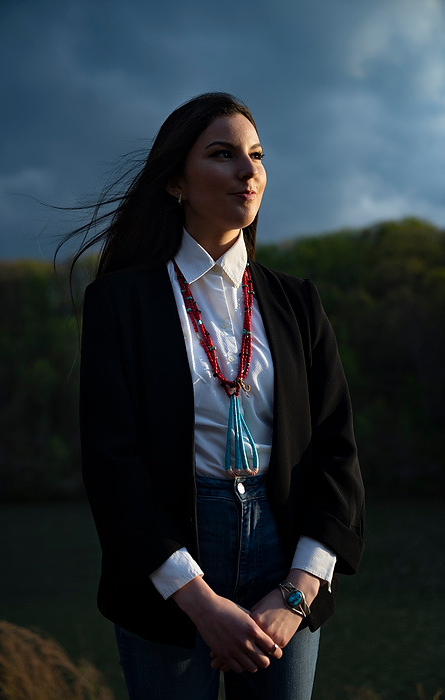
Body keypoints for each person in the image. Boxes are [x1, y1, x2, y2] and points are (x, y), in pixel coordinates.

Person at [72, 92, 364, 700]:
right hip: (169, 567)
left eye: (256, 155)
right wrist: (198, 602)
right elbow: (111, 465)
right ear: (176, 180)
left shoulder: (297, 302)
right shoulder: (121, 303)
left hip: (284, 562)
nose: (248, 170)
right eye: (223, 154)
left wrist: (296, 596)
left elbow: (337, 457)